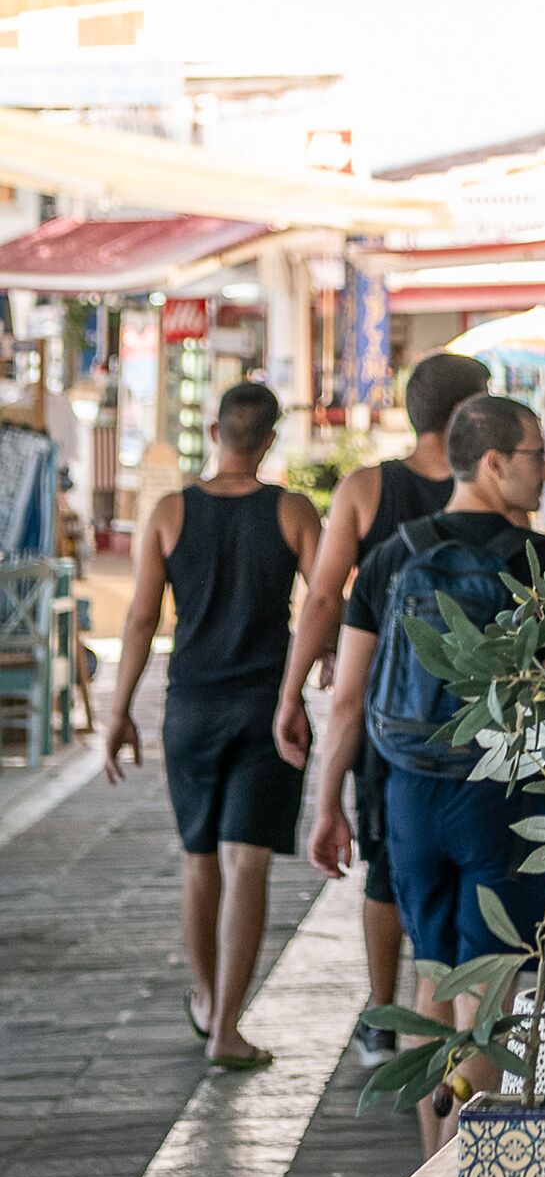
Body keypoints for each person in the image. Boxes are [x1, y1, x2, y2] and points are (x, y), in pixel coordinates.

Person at [307, 393, 545, 1153]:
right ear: (494, 463)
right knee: (490, 996)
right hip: (503, 800)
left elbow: (346, 700)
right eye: (537, 455)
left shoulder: (392, 555)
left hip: (407, 795)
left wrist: (328, 803)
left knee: (430, 983)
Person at [272, 350, 493, 1063]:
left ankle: (382, 1011)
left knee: (387, 863)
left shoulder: (369, 489)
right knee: (471, 864)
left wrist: (291, 689)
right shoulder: (494, 490)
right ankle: (461, 1017)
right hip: (484, 717)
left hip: (387, 714)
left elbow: (326, 596)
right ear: (469, 416)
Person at [102, 381, 321, 1074]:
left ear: (214, 429)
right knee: (246, 862)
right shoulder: (291, 512)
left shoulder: (169, 512)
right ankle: (228, 1024)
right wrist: (326, 669)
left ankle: (203, 998)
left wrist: (117, 712)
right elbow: (326, 599)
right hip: (265, 705)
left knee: (200, 861)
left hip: (189, 707)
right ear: (270, 438)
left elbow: (141, 618)